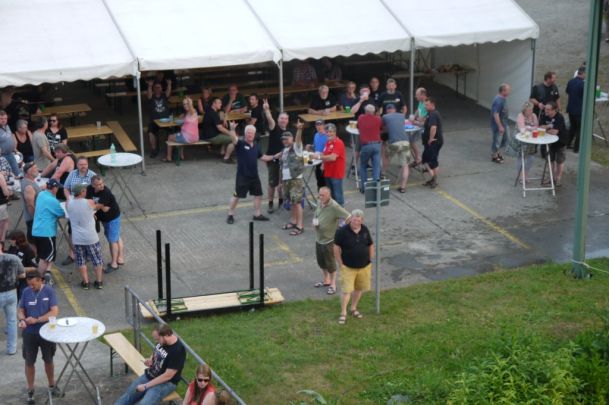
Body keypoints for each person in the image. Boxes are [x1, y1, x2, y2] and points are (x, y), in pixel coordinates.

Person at [115, 324, 186, 405]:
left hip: (166, 383)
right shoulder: (163, 341)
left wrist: (146, 386)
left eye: (158, 339)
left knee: (144, 403)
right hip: (151, 374)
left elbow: (167, 376)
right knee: (128, 396)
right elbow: (156, 352)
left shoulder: (177, 350)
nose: (156, 342)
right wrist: (151, 360)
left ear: (166, 335)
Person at [18, 270, 61, 404]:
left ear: (40, 280)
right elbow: (21, 309)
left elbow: (54, 311)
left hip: (46, 332)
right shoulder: (26, 292)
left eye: (33, 284)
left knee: (48, 360)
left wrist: (37, 320)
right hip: (29, 334)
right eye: (29, 284)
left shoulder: (49, 291)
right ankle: (30, 390)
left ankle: (52, 385)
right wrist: (22, 320)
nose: (31, 287)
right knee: (29, 362)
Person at [226, 124, 275, 224]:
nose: (250, 135)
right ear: (245, 134)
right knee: (237, 195)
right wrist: (232, 129)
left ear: (254, 134)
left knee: (258, 194)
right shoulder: (240, 143)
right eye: (248, 133)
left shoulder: (256, 146)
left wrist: (275, 156)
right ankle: (230, 214)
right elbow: (233, 139)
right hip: (242, 176)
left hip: (254, 176)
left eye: (252, 133)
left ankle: (257, 214)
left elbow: (263, 157)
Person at [333, 209, 373, 325]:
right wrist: (340, 263)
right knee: (346, 291)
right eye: (354, 220)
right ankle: (343, 313)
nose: (356, 223)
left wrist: (370, 258)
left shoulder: (364, 229)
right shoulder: (341, 232)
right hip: (348, 267)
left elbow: (370, 244)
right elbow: (336, 248)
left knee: (359, 289)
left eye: (358, 221)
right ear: (350, 219)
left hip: (364, 267)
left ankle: (353, 308)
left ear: (362, 220)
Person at [313, 187, 351, 295]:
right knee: (321, 262)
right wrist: (315, 222)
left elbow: (348, 217)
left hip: (329, 241)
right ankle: (326, 280)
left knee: (330, 263)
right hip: (319, 238)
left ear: (328, 195)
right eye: (319, 195)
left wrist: (342, 230)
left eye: (322, 195)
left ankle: (333, 284)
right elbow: (316, 213)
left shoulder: (334, 206)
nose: (320, 197)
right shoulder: (319, 202)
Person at [66, 184, 104, 290]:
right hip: (91, 237)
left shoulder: (69, 204)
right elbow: (96, 208)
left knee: (81, 261)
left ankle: (86, 282)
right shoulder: (89, 202)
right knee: (97, 260)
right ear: (82, 192)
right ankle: (99, 282)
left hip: (77, 238)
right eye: (85, 190)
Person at [87, 175, 124, 273]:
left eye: (102, 183)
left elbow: (96, 207)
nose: (102, 185)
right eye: (98, 184)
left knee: (112, 240)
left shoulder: (106, 192)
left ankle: (114, 264)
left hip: (112, 218)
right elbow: (88, 201)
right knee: (115, 236)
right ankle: (120, 258)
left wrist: (94, 206)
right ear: (93, 185)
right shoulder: (89, 189)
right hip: (104, 218)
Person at [31, 178, 65, 280]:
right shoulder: (52, 201)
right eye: (57, 188)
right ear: (54, 188)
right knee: (44, 259)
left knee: (44, 256)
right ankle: (39, 280)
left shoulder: (41, 194)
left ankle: (45, 274)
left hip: (37, 230)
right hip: (46, 232)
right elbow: (62, 213)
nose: (58, 189)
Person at [279, 121, 305, 236]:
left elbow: (298, 141)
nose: (285, 141)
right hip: (286, 180)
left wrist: (299, 129)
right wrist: (281, 182)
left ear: (292, 139)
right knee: (292, 202)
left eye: (287, 139)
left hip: (295, 180)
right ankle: (293, 221)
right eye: (283, 139)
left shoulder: (296, 147)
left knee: (297, 202)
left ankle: (300, 226)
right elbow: (282, 166)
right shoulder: (284, 150)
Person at [263, 100, 289, 213]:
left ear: (288, 121)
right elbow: (270, 119)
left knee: (282, 183)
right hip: (273, 159)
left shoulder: (289, 132)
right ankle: (270, 203)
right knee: (272, 183)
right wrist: (267, 110)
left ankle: (281, 201)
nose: (283, 120)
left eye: (285, 118)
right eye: (281, 118)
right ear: (278, 120)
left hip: (285, 161)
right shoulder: (274, 127)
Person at [313, 124, 346, 206]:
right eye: (327, 132)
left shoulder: (338, 143)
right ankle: (333, 212)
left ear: (335, 132)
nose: (329, 134)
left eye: (331, 132)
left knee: (338, 197)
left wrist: (319, 157)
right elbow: (325, 153)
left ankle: (340, 213)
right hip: (328, 173)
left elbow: (332, 157)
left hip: (335, 174)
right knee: (332, 196)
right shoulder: (328, 142)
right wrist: (316, 156)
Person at [0, 248, 25, 355]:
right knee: (12, 321)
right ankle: (12, 349)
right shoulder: (14, 258)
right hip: (11, 292)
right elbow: (23, 274)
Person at [382, 104, 411, 193]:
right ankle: (403, 187)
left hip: (394, 142)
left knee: (386, 157)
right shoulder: (402, 116)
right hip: (405, 142)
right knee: (405, 165)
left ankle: (383, 173)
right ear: (394, 109)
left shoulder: (385, 117)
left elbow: (384, 129)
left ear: (387, 110)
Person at [540, 102, 568, 187]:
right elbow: (540, 127)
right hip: (549, 142)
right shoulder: (543, 115)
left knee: (560, 161)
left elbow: (555, 132)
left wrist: (545, 129)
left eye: (548, 109)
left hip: (561, 142)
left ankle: (558, 178)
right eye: (545, 109)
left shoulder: (559, 117)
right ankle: (551, 178)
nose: (546, 111)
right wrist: (549, 127)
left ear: (554, 110)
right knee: (550, 160)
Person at [200, 98, 235, 163]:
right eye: (219, 103)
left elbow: (223, 114)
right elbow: (220, 128)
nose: (221, 104)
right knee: (234, 139)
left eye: (220, 103)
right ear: (214, 104)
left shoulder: (209, 111)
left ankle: (222, 153)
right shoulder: (213, 113)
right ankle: (226, 158)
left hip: (207, 135)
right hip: (211, 137)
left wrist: (224, 119)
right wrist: (231, 133)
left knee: (226, 135)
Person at [357, 104, 383, 192]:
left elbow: (358, 127)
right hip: (376, 145)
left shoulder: (361, 118)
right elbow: (381, 128)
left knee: (363, 165)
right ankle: (376, 188)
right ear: (373, 112)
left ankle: (364, 188)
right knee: (376, 167)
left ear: (365, 111)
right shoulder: (378, 119)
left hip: (366, 145)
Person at [165, 97, 199, 162]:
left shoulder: (193, 111)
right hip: (193, 137)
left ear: (191, 104)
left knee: (170, 137)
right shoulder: (188, 113)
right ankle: (181, 155)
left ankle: (169, 157)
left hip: (188, 138)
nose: (185, 105)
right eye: (184, 104)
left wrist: (189, 101)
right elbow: (186, 124)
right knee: (180, 134)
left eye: (187, 104)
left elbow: (191, 108)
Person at [6, 230, 37, 301]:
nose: (9, 241)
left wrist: (19, 268)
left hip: (24, 280)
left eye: (11, 240)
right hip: (13, 279)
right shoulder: (12, 247)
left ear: (17, 240)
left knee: (23, 298)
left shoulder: (28, 250)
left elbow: (34, 268)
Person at [146, 79, 172, 158]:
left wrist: (169, 84)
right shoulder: (152, 97)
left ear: (161, 88)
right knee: (151, 132)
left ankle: (171, 149)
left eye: (159, 87)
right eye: (156, 87)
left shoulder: (164, 96)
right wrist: (150, 86)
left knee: (172, 130)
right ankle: (154, 149)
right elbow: (149, 95)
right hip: (155, 121)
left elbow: (168, 91)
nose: (157, 89)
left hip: (166, 121)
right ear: (153, 89)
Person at [421, 97, 443, 188]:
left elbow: (433, 127)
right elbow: (426, 125)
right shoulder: (430, 114)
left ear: (432, 104)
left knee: (433, 161)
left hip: (434, 142)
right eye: (425, 105)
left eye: (427, 105)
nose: (425, 106)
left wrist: (431, 139)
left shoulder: (433, 114)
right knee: (425, 159)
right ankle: (432, 178)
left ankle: (434, 180)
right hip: (430, 142)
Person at [515, 101, 539, 180]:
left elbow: (536, 127)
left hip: (531, 140)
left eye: (532, 109)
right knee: (521, 157)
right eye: (529, 110)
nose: (531, 111)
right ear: (524, 110)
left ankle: (525, 174)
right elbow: (521, 129)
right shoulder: (520, 115)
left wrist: (528, 128)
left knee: (531, 158)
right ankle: (520, 175)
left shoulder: (534, 115)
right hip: (521, 139)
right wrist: (531, 128)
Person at [21, 162, 42, 246]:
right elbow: (30, 206)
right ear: (29, 172)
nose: (38, 170)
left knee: (36, 243)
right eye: (35, 168)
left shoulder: (29, 181)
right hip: (33, 219)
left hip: (34, 219)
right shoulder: (29, 187)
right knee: (35, 244)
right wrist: (36, 219)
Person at [565, 66, 585, 152]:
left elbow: (567, 91)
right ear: (583, 73)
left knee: (572, 127)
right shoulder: (583, 84)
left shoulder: (571, 81)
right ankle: (576, 148)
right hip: (579, 110)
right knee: (579, 129)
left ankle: (568, 143)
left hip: (570, 108)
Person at [490, 84, 511, 164]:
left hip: (504, 123)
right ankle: (494, 156)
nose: (509, 92)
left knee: (504, 139)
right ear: (503, 91)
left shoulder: (503, 99)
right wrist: (500, 126)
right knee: (497, 140)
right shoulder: (498, 100)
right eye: (508, 90)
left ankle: (498, 153)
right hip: (499, 125)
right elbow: (495, 114)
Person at [410, 87, 428, 166]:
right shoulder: (421, 102)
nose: (415, 96)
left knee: (411, 140)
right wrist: (414, 116)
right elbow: (418, 110)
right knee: (410, 139)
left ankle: (419, 158)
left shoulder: (426, 104)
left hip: (425, 128)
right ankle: (418, 158)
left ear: (423, 95)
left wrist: (415, 121)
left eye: (417, 95)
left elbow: (423, 121)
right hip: (419, 125)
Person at [0, 110, 21, 177]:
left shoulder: (7, 126)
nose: (3, 120)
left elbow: (10, 138)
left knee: (17, 173)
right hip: (2, 157)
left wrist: (16, 150)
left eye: (5, 118)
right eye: (1, 118)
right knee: (6, 176)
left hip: (10, 154)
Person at [309, 119, 327, 190]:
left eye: (320, 125)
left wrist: (323, 163)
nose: (319, 127)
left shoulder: (327, 136)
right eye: (317, 125)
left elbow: (328, 151)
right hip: (317, 160)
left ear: (324, 126)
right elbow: (315, 147)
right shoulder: (316, 135)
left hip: (324, 161)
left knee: (324, 181)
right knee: (319, 180)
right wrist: (310, 147)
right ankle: (320, 194)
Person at [0, 172, 13, 247]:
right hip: (1, 204)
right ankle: (1, 244)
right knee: (4, 224)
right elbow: (6, 193)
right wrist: (10, 193)